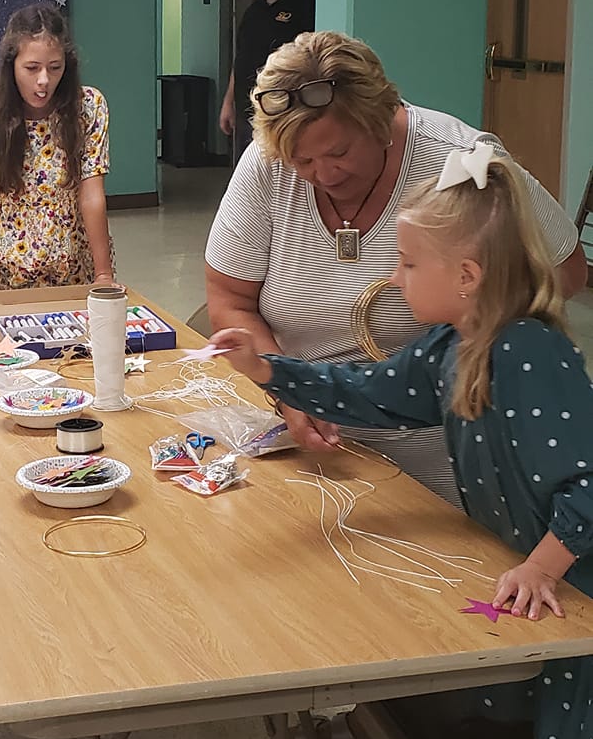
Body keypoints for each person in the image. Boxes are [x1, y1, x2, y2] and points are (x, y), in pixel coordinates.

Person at [210, 144, 593, 739]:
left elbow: (589, 482)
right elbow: (370, 392)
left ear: (465, 276)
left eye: (407, 263)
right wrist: (273, 369)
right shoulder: (456, 342)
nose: (392, 276)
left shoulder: (530, 352)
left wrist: (545, 562)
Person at [205, 28, 587, 503]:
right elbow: (229, 299)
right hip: (320, 445)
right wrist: (289, 393)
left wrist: (472, 345)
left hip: (454, 464)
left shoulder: (461, 165)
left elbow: (566, 269)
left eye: (339, 153)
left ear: (382, 120)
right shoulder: (268, 165)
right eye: (301, 161)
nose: (323, 175)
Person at [0, 4, 115, 304]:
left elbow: (91, 195)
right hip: (15, 270)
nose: (43, 80)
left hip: (76, 266)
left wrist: (103, 275)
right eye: (32, 68)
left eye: (55, 67)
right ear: (12, 66)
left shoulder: (88, 107)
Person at [219, 0, 315, 157]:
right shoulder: (254, 10)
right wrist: (228, 102)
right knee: (247, 174)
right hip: (248, 111)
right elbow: (241, 58)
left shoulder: (307, 7)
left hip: (283, 112)